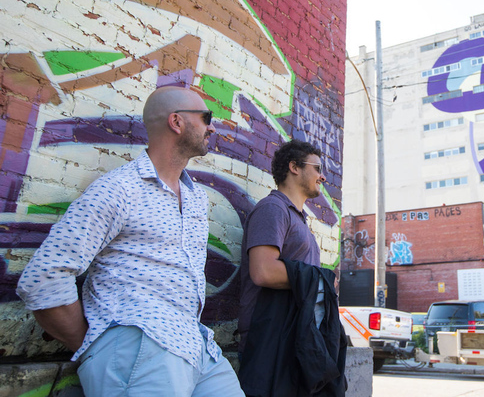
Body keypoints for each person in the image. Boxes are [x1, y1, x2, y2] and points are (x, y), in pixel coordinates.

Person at [16, 86, 244, 397]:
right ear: (177, 122)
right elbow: (44, 277)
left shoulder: (196, 199)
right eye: (206, 118)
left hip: (198, 346)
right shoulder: (119, 189)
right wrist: (95, 343)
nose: (212, 127)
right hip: (139, 346)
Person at [238, 139, 346, 396]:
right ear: (294, 167)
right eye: (317, 168)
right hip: (271, 342)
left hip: (296, 340)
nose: (322, 177)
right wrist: (322, 280)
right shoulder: (273, 209)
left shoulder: (298, 219)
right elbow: (263, 271)